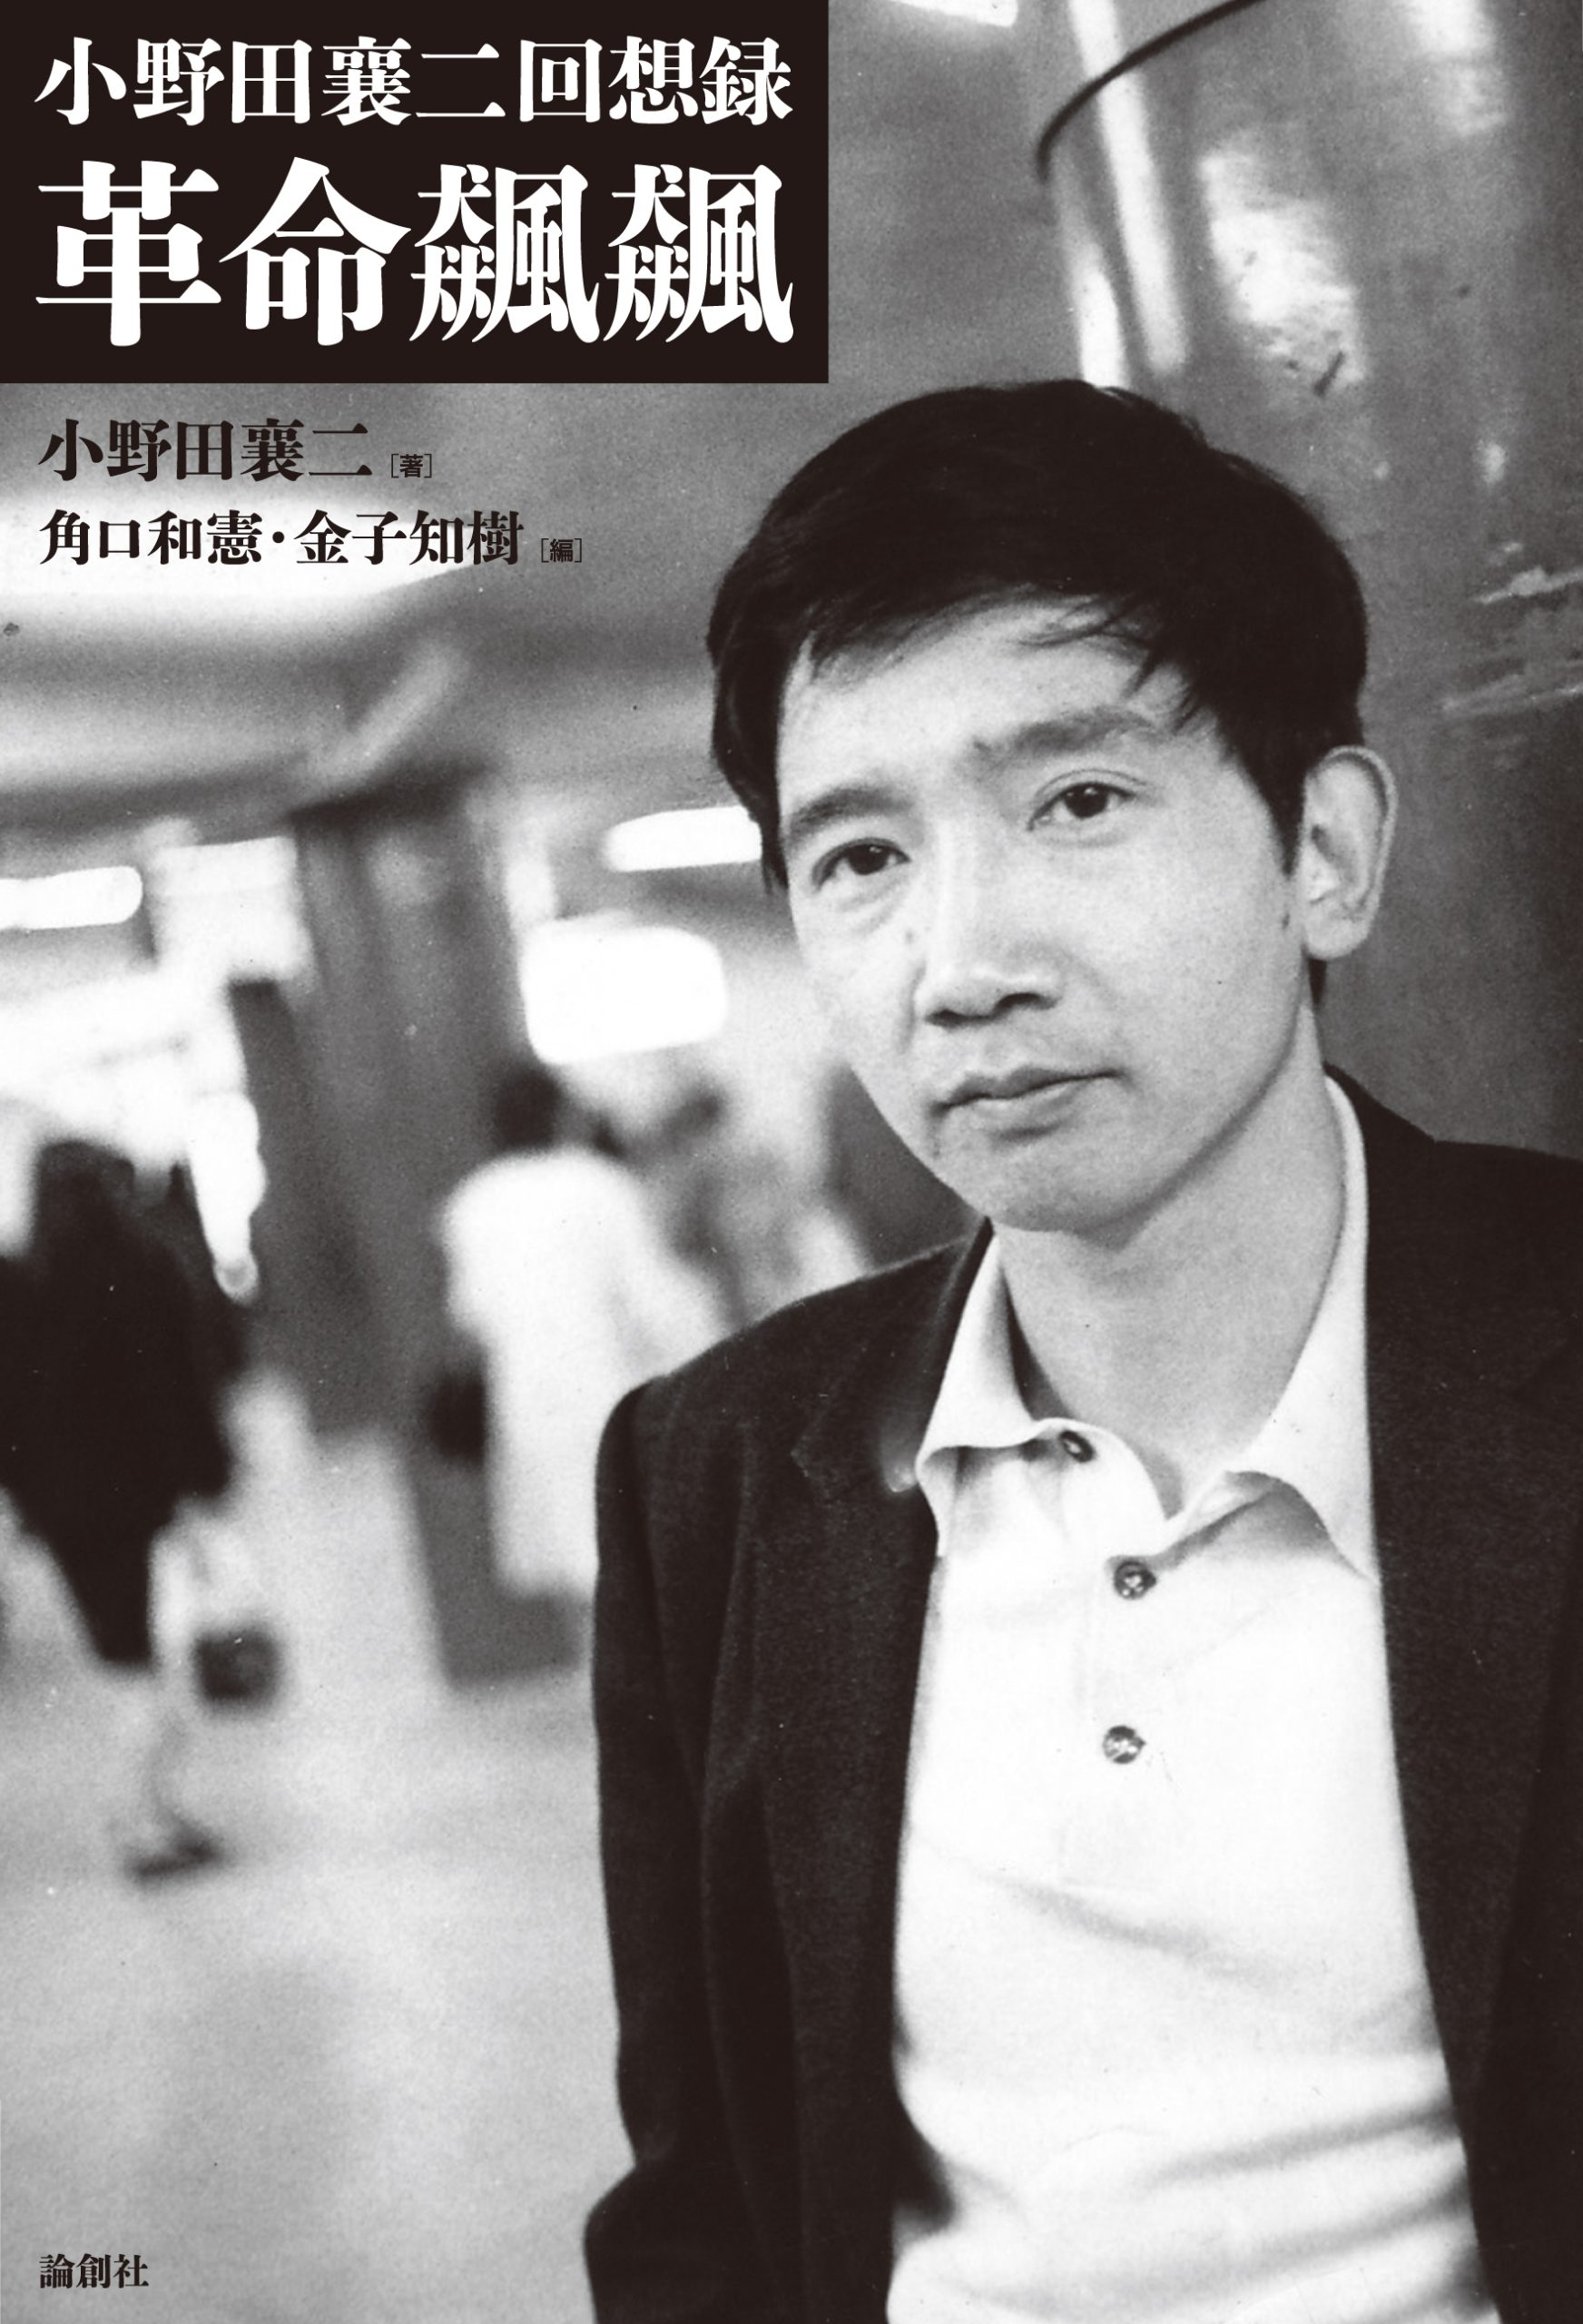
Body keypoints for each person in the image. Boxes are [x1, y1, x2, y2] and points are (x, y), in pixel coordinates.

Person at [585, 383, 1583, 2323]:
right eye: (857, 858)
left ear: (1319, 848)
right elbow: (701, 2203)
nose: (961, 964)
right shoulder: (716, 1467)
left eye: (1077, 801)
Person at [5, 1137, 236, 1878]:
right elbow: (177, 1388)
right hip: (139, 1500)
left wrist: (27, 1497)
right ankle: (139, 1822)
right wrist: (205, 1480)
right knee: (142, 1664)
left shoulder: (19, 1285)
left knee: (124, 1659)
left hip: (66, 1515)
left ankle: (154, 1812)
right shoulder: (139, 1269)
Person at [437, 1059, 723, 1608]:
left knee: (575, 1571)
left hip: (528, 1405)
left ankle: (594, 1663)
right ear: (561, 1115)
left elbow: (472, 1319)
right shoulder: (600, 1185)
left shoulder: (472, 1204)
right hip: (609, 1390)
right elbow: (653, 1304)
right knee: (633, 1558)